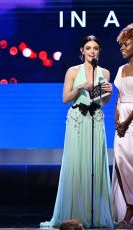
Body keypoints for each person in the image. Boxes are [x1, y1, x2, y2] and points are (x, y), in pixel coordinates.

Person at [40, 35, 113, 228]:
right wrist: (81, 86)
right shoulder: (73, 71)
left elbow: (100, 101)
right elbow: (66, 98)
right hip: (77, 121)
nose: (92, 51)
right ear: (82, 50)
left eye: (96, 48)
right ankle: (74, 215)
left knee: (94, 166)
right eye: (88, 48)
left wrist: (109, 93)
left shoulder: (104, 72)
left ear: (99, 51)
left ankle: (94, 214)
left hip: (95, 120)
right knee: (76, 164)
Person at [112, 23, 133, 228]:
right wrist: (117, 120)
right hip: (122, 122)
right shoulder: (121, 69)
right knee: (121, 160)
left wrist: (127, 122)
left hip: (132, 120)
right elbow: (119, 98)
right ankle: (128, 205)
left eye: (126, 44)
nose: (122, 48)